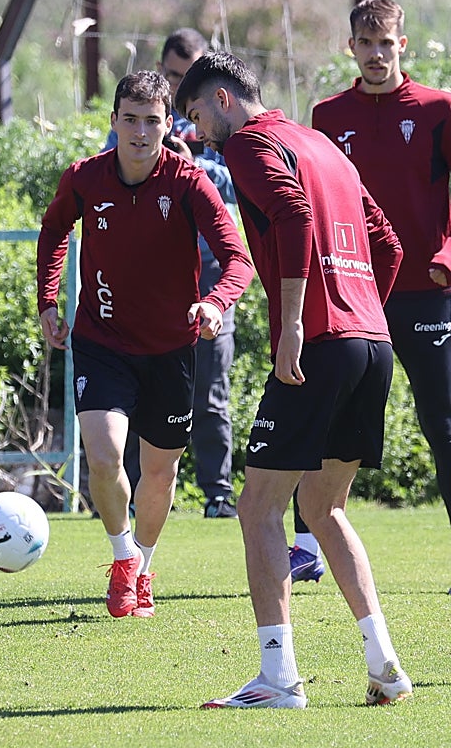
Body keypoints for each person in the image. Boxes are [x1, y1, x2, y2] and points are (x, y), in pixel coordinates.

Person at [175, 51, 412, 708]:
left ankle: (279, 679)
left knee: (258, 509)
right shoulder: (322, 145)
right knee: (324, 507)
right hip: (371, 343)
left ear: (223, 99)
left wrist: (295, 324)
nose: (195, 131)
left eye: (195, 114)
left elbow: (294, 217)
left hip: (320, 344)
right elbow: (386, 243)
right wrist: (362, 312)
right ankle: (384, 663)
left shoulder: (251, 144)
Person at [38, 71, 253, 620]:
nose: (140, 132)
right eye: (129, 120)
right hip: (101, 340)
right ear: (113, 122)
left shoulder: (188, 180)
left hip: (170, 350)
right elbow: (54, 230)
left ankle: (145, 564)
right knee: (106, 454)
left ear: (167, 125)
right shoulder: (86, 178)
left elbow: (237, 258)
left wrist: (215, 302)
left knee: (159, 473)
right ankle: (120, 558)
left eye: (152, 121)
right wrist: (48, 302)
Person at [309, 0, 451, 590]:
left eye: (385, 44)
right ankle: (302, 547)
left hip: (425, 290)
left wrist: (447, 254)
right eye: (365, 44)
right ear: (351, 47)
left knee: (443, 421)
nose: (375, 54)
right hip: (353, 292)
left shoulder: (440, 109)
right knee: (322, 415)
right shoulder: (325, 115)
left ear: (402, 47)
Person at [103, 28, 241, 520]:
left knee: (209, 392)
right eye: (175, 75)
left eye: (192, 76)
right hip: (142, 288)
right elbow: (110, 166)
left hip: (205, 278)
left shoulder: (219, 122)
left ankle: (217, 493)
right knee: (137, 396)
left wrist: (194, 167)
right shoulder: (140, 119)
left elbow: (238, 180)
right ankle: (139, 493)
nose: (184, 87)